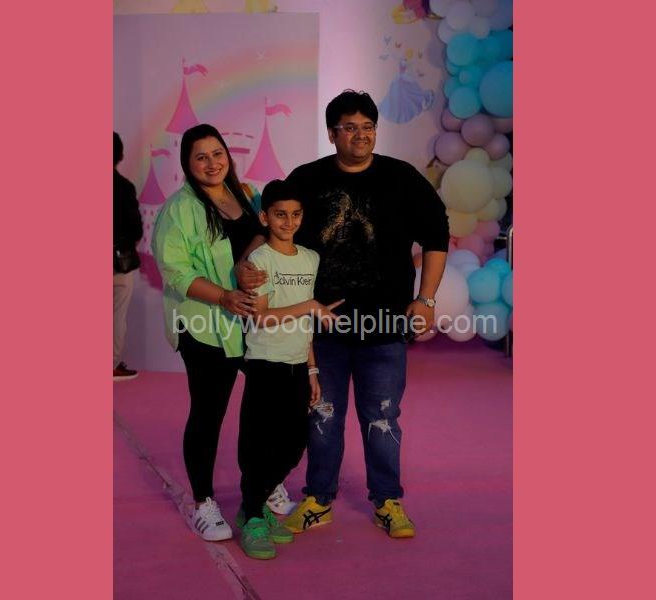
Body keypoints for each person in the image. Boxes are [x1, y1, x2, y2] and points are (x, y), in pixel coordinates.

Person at [238, 90, 449, 538]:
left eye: (367, 127)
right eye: (349, 127)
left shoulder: (402, 178)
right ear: (332, 133)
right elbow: (272, 225)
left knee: (383, 416)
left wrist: (426, 300)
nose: (360, 135)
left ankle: (387, 500)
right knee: (322, 414)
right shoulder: (308, 178)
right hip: (321, 328)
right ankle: (318, 499)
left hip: (385, 324)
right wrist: (244, 264)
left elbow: (436, 234)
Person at [151, 123, 267, 542]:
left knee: (268, 403)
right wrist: (223, 296)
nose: (212, 163)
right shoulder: (179, 210)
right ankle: (204, 502)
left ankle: (263, 483)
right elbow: (176, 272)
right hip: (204, 325)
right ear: (187, 164)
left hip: (252, 321)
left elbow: (265, 232)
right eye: (200, 157)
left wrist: (246, 261)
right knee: (208, 413)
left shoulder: (247, 194)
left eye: (217, 153)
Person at [234, 179, 342, 559]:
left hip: (298, 364)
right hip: (265, 363)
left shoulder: (310, 258)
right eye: (280, 214)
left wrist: (312, 369)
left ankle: (253, 504)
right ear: (265, 217)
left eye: (295, 214)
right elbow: (260, 317)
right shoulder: (260, 260)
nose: (289, 221)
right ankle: (253, 515)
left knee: (294, 445)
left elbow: (307, 323)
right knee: (259, 444)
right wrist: (309, 306)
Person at [113, 132, 144, 381]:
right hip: (118, 263)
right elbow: (136, 230)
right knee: (116, 315)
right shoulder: (124, 187)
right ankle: (111, 364)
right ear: (120, 155)